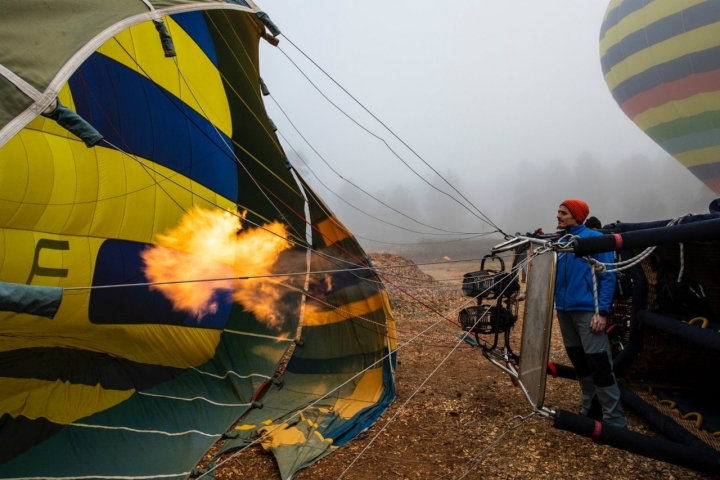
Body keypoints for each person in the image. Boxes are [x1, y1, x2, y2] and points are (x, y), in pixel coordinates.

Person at [555, 199, 627, 427]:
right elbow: (554, 276)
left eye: (563, 213)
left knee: (599, 365)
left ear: (576, 216)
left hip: (588, 312)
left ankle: (615, 420)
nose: (558, 216)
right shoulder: (561, 242)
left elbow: (607, 276)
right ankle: (591, 408)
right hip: (564, 311)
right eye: (558, 212)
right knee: (581, 365)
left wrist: (602, 312)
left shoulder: (595, 240)